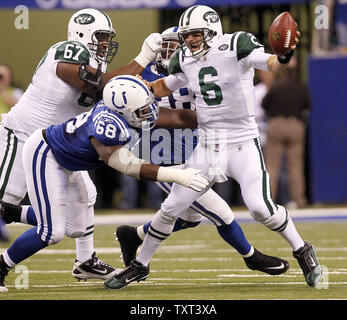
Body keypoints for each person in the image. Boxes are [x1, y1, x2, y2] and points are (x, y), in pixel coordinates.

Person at [105, 5, 322, 290]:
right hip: (208, 145)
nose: (190, 40)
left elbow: (270, 63)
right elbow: (163, 86)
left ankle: (302, 249)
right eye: (187, 35)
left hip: (242, 143)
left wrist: (283, 54)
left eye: (195, 34)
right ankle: (140, 265)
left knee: (260, 208)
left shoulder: (235, 45)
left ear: (212, 31)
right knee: (172, 206)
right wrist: (127, 92)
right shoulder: (184, 57)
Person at [0, 75, 210, 292]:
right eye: (143, 110)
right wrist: (176, 175)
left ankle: (11, 212)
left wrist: (220, 119)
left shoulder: (129, 111)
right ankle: (1, 265)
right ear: (122, 110)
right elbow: (127, 165)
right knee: (51, 232)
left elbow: (177, 117)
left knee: (76, 228)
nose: (149, 113)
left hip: (69, 160)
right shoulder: (108, 125)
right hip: (46, 154)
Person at [0, 8, 162, 281]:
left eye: (107, 38)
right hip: (23, 135)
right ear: (82, 33)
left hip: (58, 146)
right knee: (6, 202)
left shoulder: (97, 65)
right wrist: (143, 58)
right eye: (101, 37)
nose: (105, 44)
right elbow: (99, 86)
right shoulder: (67, 50)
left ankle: (85, 261)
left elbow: (114, 90)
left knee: (85, 199)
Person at [262, 57, 311, 209]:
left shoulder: (276, 86)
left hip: (277, 124)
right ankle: (298, 200)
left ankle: (268, 200)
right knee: (295, 166)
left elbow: (264, 104)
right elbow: (308, 106)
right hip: (295, 124)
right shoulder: (301, 86)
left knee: (272, 165)